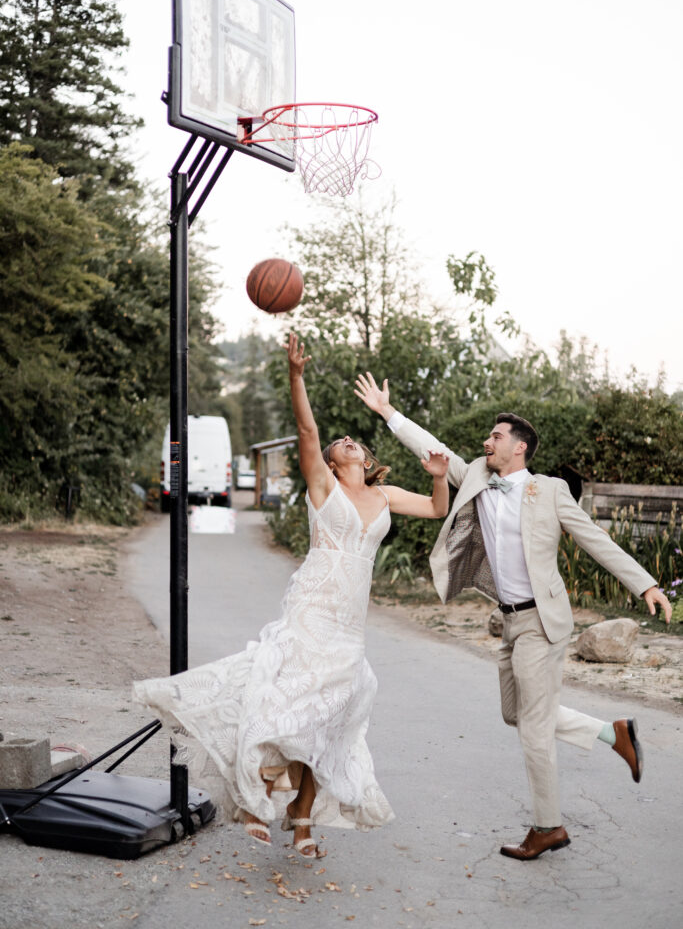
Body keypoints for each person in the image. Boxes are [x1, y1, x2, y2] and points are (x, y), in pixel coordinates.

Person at [133, 335, 449, 858]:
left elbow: (438, 509)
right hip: (311, 608)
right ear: (328, 460)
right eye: (338, 441)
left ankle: (302, 820)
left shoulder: (385, 494)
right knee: (294, 706)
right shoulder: (324, 487)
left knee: (329, 721)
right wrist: (295, 376)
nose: (347, 439)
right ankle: (260, 801)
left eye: (355, 440)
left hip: (349, 624)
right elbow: (308, 428)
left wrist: (438, 479)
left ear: (367, 458)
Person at [354, 372, 672, 861]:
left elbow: (595, 539)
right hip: (509, 620)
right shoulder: (478, 477)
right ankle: (615, 734)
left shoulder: (548, 492)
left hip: (542, 623)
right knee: (516, 715)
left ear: (519, 448)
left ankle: (548, 827)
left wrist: (644, 582)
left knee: (535, 728)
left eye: (496, 436)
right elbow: (435, 448)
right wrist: (386, 413)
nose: (487, 440)